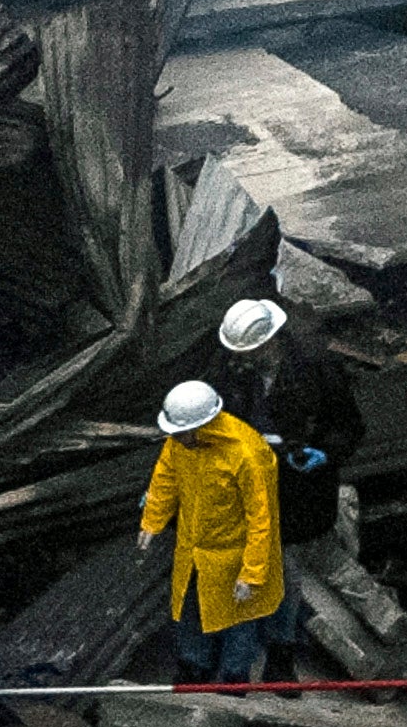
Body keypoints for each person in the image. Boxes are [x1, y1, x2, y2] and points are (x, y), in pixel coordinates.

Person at [220, 293, 365, 642]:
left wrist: (324, 454)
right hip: (255, 477)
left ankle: (286, 639)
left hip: (302, 485)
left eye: (250, 352)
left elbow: (349, 427)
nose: (243, 359)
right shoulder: (237, 374)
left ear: (269, 342)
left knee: (292, 560)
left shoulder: (317, 370)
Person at [138, 378, 284, 684]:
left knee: (241, 619)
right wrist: (153, 520)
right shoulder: (181, 442)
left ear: (201, 424)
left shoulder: (246, 452)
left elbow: (262, 518)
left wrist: (252, 572)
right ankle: (195, 668)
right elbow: (166, 479)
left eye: (180, 433)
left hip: (235, 555)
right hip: (195, 550)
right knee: (190, 609)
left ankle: (235, 677)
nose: (175, 439)